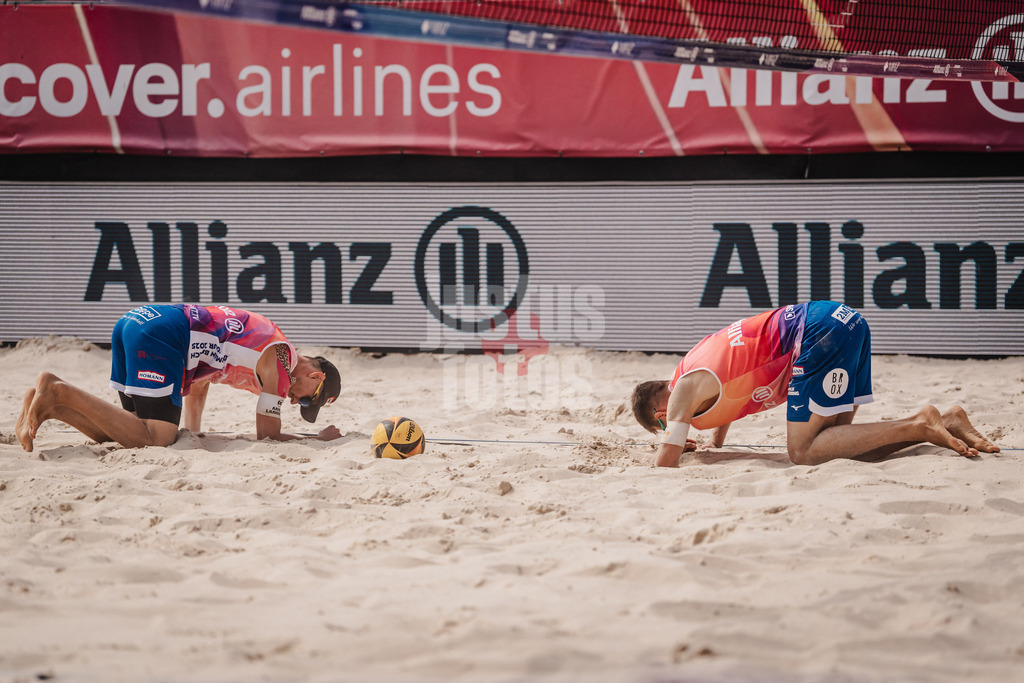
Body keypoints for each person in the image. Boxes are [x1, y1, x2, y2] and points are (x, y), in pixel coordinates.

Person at [631, 301, 1000, 468]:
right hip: (842, 321)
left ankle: (920, 421)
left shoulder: (681, 392)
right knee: (839, 453)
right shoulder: (694, 368)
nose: (669, 427)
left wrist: (671, 442)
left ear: (660, 414)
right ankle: (942, 422)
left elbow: (665, 463)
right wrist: (713, 444)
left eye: (662, 425)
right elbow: (728, 402)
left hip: (815, 334)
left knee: (803, 452)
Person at [16, 304, 342, 452]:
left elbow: (200, 382)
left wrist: (194, 433)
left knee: (125, 433)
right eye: (306, 398)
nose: (293, 399)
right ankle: (59, 392)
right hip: (164, 334)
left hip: (139, 321)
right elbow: (268, 436)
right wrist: (316, 440)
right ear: (316, 376)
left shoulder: (265, 341)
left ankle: (50, 404)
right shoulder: (282, 360)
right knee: (157, 438)